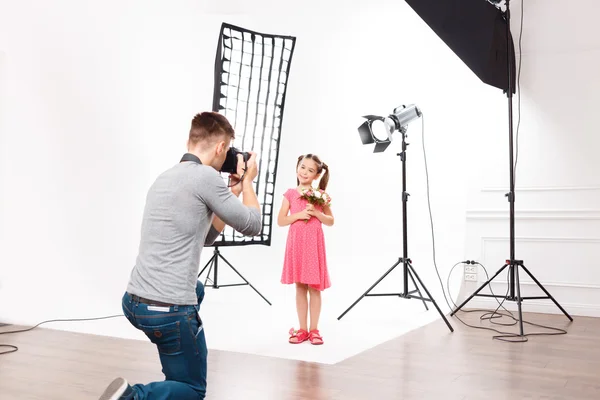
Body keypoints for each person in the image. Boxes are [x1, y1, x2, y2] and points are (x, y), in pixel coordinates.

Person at [98, 112, 262, 400]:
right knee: (193, 389)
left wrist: (232, 193)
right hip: (168, 311)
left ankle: (173, 379)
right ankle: (132, 397)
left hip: (135, 301)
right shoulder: (206, 178)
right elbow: (253, 225)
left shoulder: (166, 177)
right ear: (221, 148)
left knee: (195, 291)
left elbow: (205, 237)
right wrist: (248, 182)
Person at [277, 154, 334, 346]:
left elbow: (331, 220)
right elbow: (281, 220)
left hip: (313, 243)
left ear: (317, 175)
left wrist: (317, 212)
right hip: (297, 243)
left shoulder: (320, 196)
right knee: (300, 286)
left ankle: (314, 329)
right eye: (302, 167)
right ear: (297, 168)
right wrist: (300, 214)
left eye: (310, 170)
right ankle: (302, 329)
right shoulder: (291, 194)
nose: (305, 172)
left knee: (314, 287)